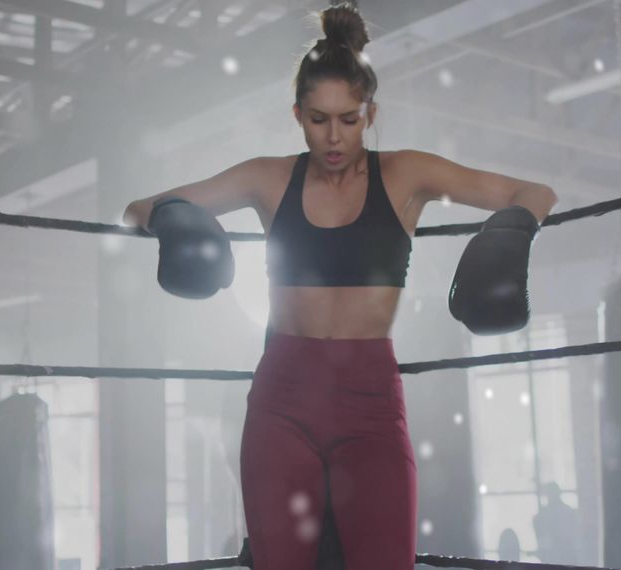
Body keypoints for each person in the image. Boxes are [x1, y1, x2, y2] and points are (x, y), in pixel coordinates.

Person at [123, 4, 557, 568]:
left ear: (370, 113)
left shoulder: (406, 174)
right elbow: (139, 209)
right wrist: (175, 224)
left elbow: (535, 192)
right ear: (297, 114)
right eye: (318, 119)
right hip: (282, 398)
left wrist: (512, 233)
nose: (333, 136)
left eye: (349, 119)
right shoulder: (268, 176)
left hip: (370, 401)